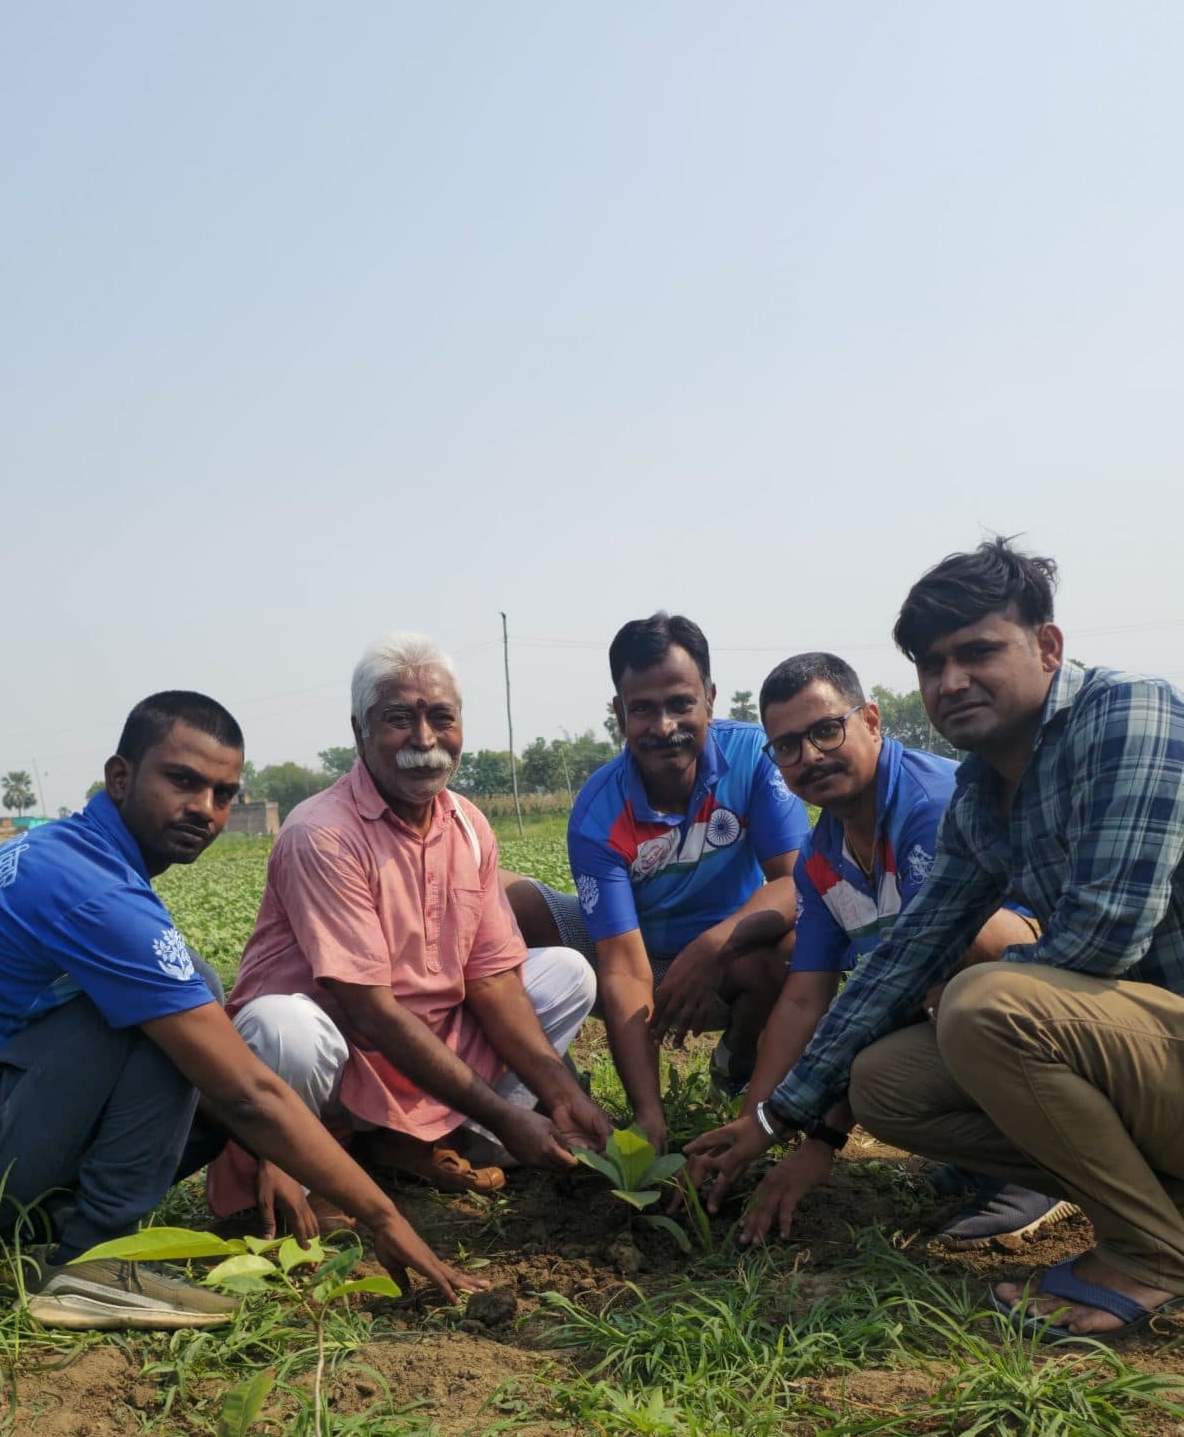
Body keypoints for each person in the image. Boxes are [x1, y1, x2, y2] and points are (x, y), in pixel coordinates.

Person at [692, 537, 1184, 1343]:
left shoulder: (1128, 716)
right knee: (888, 1081)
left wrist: (961, 1003)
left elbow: (1107, 934)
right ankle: (1158, 1199)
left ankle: (1151, 1252)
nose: (951, 682)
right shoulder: (983, 794)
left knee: (982, 1000)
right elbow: (900, 958)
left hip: (1158, 1039)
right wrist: (777, 1119)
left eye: (978, 651)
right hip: (1147, 1060)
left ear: (1048, 646)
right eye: (932, 663)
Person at [0, 692, 472, 1328]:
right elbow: (245, 1090)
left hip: (14, 1109)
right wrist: (383, 1216)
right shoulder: (95, 893)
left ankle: (62, 1233)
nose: (205, 810)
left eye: (223, 794)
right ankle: (91, 1263)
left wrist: (271, 1154)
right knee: (168, 1020)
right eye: (182, 781)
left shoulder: (60, 851)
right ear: (120, 777)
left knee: (194, 985)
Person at [207, 634, 610, 1224]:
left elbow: (494, 981)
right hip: (342, 1057)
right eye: (399, 718)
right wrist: (505, 1115)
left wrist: (563, 1095)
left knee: (567, 974)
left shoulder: (468, 825)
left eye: (440, 717)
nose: (424, 740)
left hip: (428, 1045)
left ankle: (424, 1143)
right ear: (359, 730)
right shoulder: (322, 833)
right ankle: (310, 1169)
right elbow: (370, 1010)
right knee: (282, 1027)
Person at [686, 649, 1064, 1248]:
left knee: (960, 965)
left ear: (871, 721)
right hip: (955, 1011)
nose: (809, 756)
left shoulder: (932, 806)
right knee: (880, 1077)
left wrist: (819, 1140)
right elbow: (804, 1001)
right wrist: (750, 1126)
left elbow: (908, 977)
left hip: (1061, 1000)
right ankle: (1002, 1152)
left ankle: (1049, 1164)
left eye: (826, 730)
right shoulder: (820, 858)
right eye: (787, 746)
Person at [506, 612, 807, 1151]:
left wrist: (714, 945)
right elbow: (622, 965)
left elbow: (795, 882)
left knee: (791, 944)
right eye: (642, 709)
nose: (664, 726)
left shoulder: (755, 758)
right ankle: (556, 1081)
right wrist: (649, 1116)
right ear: (619, 713)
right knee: (506, 898)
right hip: (628, 945)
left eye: (680, 704)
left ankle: (738, 1060)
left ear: (710, 699)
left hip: (728, 949)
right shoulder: (600, 811)